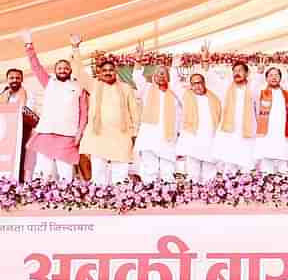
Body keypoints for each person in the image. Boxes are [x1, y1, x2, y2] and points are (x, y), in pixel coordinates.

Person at [71, 36, 139, 186]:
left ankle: (121, 202)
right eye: (105, 70)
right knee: (98, 172)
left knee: (120, 173)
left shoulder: (126, 88)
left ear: (116, 71)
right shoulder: (94, 86)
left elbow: (135, 113)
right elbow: (78, 72)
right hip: (98, 134)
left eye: (111, 70)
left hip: (121, 135)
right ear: (100, 72)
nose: (108, 73)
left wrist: (134, 134)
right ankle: (100, 201)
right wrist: (75, 48)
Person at [21, 30, 88, 182]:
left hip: (68, 135)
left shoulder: (79, 86)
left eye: (66, 68)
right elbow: (36, 66)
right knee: (44, 171)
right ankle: (40, 199)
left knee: (66, 173)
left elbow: (84, 113)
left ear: (70, 70)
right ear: (55, 70)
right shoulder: (49, 82)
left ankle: (65, 199)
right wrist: (29, 45)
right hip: (46, 132)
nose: (63, 70)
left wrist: (80, 133)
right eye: (60, 68)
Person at [132, 49, 181, 183]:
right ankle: (150, 193)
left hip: (168, 136)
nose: (161, 76)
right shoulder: (147, 89)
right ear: (153, 76)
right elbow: (137, 78)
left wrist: (175, 67)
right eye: (158, 74)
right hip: (149, 136)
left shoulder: (176, 93)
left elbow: (176, 84)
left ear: (168, 77)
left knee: (168, 169)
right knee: (150, 169)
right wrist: (138, 61)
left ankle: (167, 195)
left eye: (164, 74)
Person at [175, 72, 222, 182]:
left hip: (210, 140)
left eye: (199, 83)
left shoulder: (214, 98)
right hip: (193, 139)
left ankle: (209, 195)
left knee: (209, 174)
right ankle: (193, 196)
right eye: (194, 84)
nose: (197, 86)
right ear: (190, 86)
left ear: (204, 83)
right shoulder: (186, 95)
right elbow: (173, 84)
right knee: (192, 173)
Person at [212, 62, 258, 173]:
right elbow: (210, 81)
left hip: (247, 133)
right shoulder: (225, 87)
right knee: (229, 166)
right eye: (235, 71)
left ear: (247, 73)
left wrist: (260, 73)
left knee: (246, 167)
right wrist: (205, 62)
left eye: (240, 71)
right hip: (229, 133)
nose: (237, 73)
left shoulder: (253, 87)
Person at [254, 67, 288, 174]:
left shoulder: (287, 95)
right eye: (270, 75)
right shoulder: (260, 93)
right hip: (266, 135)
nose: (273, 77)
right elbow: (252, 90)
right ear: (266, 78)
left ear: (280, 78)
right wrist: (258, 75)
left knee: (283, 168)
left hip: (283, 135)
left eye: (276, 75)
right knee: (266, 168)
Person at [1, 68, 37, 182]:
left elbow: (28, 111)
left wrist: (20, 104)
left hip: (22, 132)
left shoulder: (28, 93)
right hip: (5, 134)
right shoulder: (3, 93)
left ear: (22, 79)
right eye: (12, 78)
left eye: (17, 78)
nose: (14, 80)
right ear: (7, 79)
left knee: (20, 158)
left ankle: (19, 183)